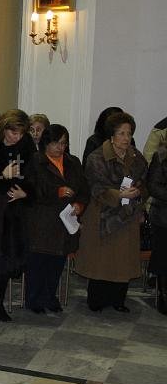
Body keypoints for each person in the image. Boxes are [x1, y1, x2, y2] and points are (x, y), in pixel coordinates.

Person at [77, 112, 148, 312]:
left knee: (122, 261)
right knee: (102, 260)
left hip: (128, 214)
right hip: (103, 214)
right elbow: (95, 186)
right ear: (111, 135)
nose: (126, 138)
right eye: (122, 133)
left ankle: (118, 300)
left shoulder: (136, 156)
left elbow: (145, 182)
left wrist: (138, 192)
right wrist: (119, 194)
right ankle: (97, 300)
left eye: (129, 133)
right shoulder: (97, 156)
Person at [23, 124, 88, 313]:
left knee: (57, 263)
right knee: (39, 263)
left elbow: (84, 189)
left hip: (65, 222)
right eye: (56, 143)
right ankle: (34, 299)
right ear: (46, 143)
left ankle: (50, 297)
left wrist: (80, 205)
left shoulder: (73, 162)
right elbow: (30, 190)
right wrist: (56, 192)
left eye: (64, 144)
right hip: (42, 221)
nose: (60, 148)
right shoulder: (35, 161)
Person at [0, 110, 36, 322]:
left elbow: (33, 177)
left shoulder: (26, 147)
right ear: (4, 128)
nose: (16, 137)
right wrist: (2, 175)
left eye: (20, 134)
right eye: (13, 132)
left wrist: (25, 192)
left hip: (13, 212)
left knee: (6, 261)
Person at [147, 134, 167, 313]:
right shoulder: (161, 155)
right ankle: (163, 296)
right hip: (163, 216)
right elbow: (153, 185)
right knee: (163, 258)